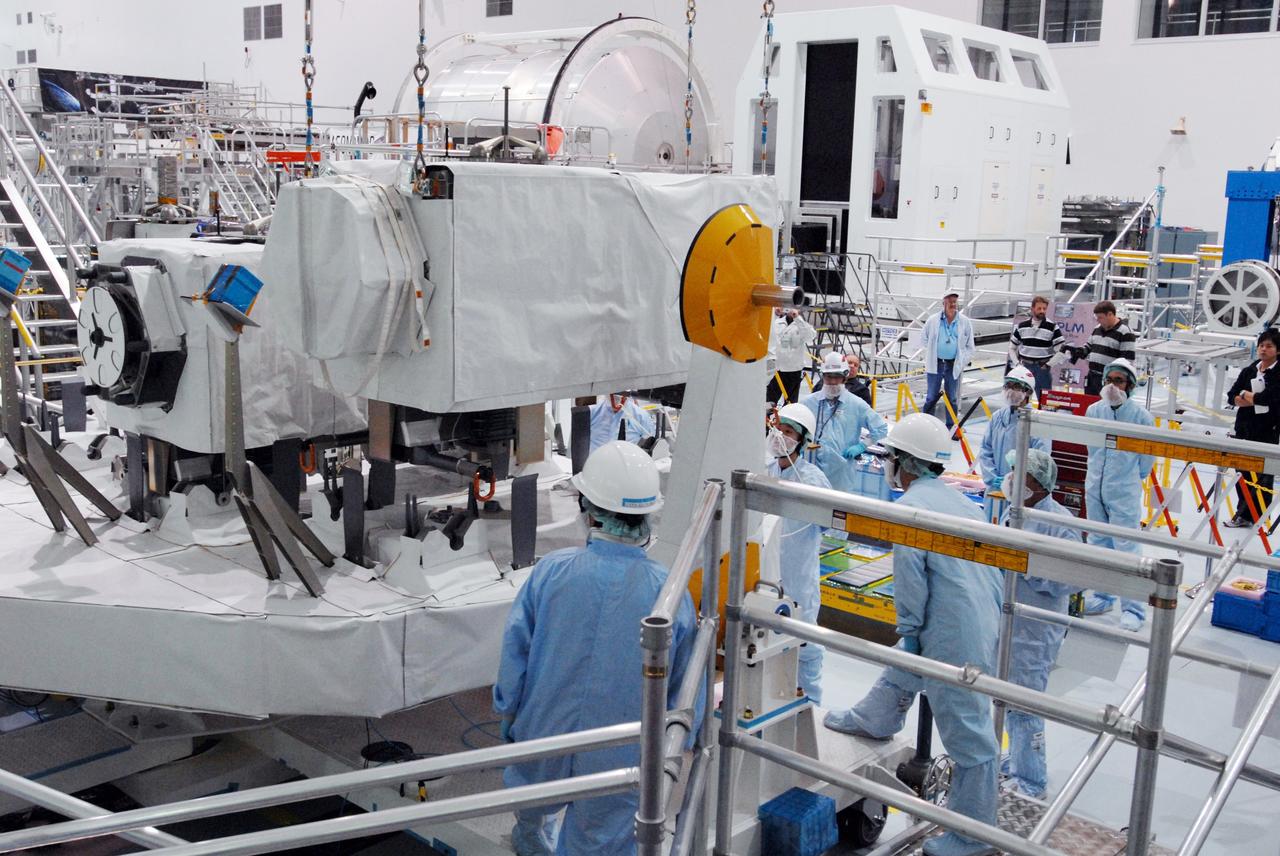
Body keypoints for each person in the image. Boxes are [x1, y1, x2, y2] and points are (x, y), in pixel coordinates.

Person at [493, 441, 701, 855]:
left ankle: (530, 832)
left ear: (588, 509)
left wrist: (509, 711)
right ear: (646, 517)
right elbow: (683, 687)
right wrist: (681, 740)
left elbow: (516, 654)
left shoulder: (551, 572)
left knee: (535, 795)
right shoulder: (669, 593)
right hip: (621, 748)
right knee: (601, 837)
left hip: (544, 731)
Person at [825, 413, 1002, 856]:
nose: (887, 464)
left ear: (905, 462)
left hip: (954, 627)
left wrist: (909, 626)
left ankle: (974, 836)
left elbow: (911, 581)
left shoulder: (911, 509)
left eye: (890, 457)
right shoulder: (960, 501)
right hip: (978, 614)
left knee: (968, 731)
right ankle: (876, 717)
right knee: (910, 656)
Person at [1000, 448, 1080, 799]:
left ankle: (1032, 780)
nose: (1012, 478)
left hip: (1035, 629)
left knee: (1025, 703)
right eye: (1012, 470)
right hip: (1009, 620)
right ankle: (1018, 759)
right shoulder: (1015, 511)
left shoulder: (1059, 524)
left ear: (1041, 483)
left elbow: (1070, 579)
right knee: (1006, 696)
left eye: (1021, 473)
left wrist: (1026, 566)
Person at [1081, 358, 1154, 632]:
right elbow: (1091, 449)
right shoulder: (1094, 411)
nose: (1112, 386)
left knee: (1127, 548)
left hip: (1123, 490)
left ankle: (1133, 609)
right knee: (1099, 543)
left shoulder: (1141, 417)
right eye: (1109, 380)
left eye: (1119, 381)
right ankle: (1102, 595)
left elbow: (1146, 462)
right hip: (1095, 487)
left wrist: (1128, 479)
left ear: (1130, 386)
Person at [767, 403, 834, 702]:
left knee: (806, 643)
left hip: (799, 578)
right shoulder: (765, 470)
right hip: (768, 576)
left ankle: (811, 701)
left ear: (802, 440)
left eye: (788, 432)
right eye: (778, 429)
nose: (780, 436)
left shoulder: (813, 479)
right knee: (767, 642)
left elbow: (829, 523)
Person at [802, 352, 889, 494]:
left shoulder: (856, 404)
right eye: (829, 376)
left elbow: (880, 428)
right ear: (822, 376)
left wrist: (862, 446)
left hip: (841, 474)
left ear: (845, 376)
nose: (833, 381)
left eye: (837, 376)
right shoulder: (809, 402)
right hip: (811, 470)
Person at [1225, 328, 1280, 528]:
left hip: (1267, 430)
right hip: (1244, 428)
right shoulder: (1250, 369)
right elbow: (1231, 395)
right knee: (1242, 472)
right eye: (1261, 345)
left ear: (1278, 350)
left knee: (1262, 475)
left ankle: (1258, 517)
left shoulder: (1278, 373)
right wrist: (1248, 398)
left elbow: (1268, 400)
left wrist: (1246, 395)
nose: (1263, 349)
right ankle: (1244, 515)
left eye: (1269, 346)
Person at [978, 365, 1045, 496]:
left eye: (1017, 387)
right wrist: (992, 477)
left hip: (1022, 493)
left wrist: (1017, 482)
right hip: (994, 490)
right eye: (1008, 386)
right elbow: (985, 450)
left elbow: (1041, 460)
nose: (1010, 391)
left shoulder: (1037, 422)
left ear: (1028, 392)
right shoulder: (997, 417)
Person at [921, 292, 976, 428]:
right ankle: (926, 425)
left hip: (953, 364)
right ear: (943, 303)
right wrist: (932, 352)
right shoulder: (933, 320)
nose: (953, 304)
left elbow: (970, 346)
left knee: (952, 397)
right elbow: (924, 339)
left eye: (955, 301)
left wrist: (961, 361)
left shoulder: (964, 322)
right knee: (931, 396)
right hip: (936, 362)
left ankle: (952, 427)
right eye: (950, 301)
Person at [1068, 301, 1136, 396]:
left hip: (1110, 381)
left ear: (1110, 314)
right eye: (1097, 317)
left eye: (1100, 317)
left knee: (1107, 404)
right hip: (1092, 377)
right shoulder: (1097, 328)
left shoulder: (1125, 332)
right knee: (1090, 403)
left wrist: (1116, 381)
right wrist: (1080, 351)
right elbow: (1088, 346)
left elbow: (1127, 361)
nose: (1098, 320)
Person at [1009, 295, 1065, 394]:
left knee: (1043, 398)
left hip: (1042, 368)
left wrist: (1048, 364)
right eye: (1039, 308)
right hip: (1025, 367)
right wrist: (1017, 364)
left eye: (1044, 308)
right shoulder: (1022, 326)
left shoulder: (1052, 327)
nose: (1042, 311)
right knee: (1021, 396)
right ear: (1032, 309)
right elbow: (1012, 348)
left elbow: (1061, 350)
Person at [767, 307, 817, 405]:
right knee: (769, 401)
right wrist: (775, 314)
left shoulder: (802, 325)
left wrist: (797, 318)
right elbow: (766, 331)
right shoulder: (777, 323)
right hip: (776, 369)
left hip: (793, 370)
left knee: (790, 404)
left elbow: (810, 336)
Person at [588, 392, 655, 454]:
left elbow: (651, 445)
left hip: (628, 461)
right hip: (596, 461)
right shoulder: (591, 412)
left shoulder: (641, 416)